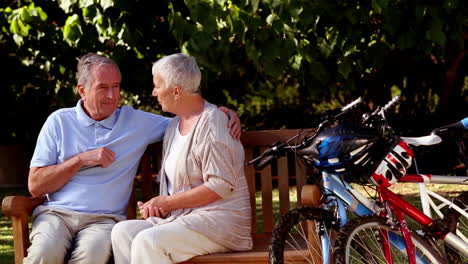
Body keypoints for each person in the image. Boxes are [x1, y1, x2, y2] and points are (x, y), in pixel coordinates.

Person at [24, 53, 241, 264]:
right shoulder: (58, 122)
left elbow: (191, 118)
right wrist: (81, 160)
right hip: (56, 215)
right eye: (103, 88)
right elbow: (35, 186)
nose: (112, 96)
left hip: (103, 220)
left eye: (116, 86)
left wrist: (225, 114)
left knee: (92, 256)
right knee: (44, 254)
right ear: (82, 90)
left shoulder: (135, 122)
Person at [111, 53, 252, 264]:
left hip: (220, 223)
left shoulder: (214, 122)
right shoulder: (172, 126)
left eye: (157, 86)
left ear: (176, 91)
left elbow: (221, 185)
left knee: (148, 242)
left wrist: (167, 202)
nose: (154, 92)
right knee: (122, 232)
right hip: (184, 218)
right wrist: (158, 206)